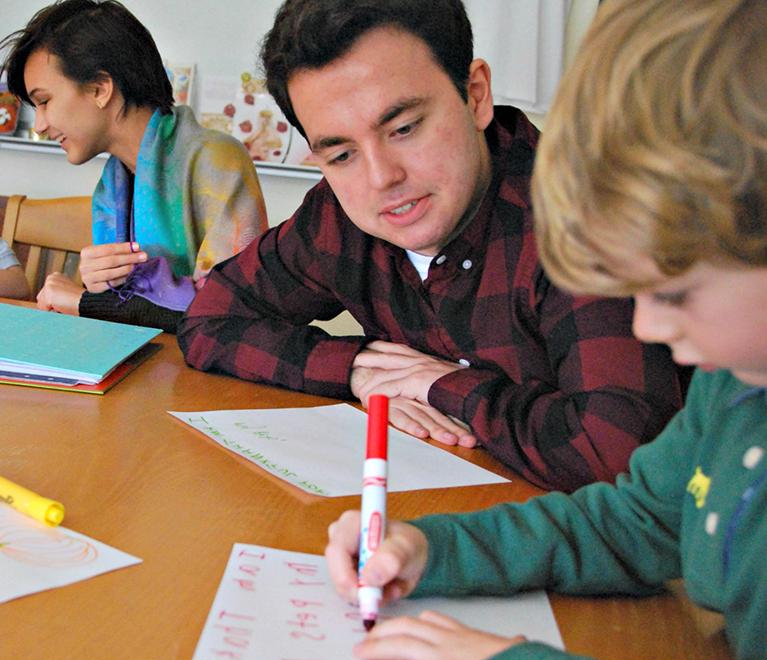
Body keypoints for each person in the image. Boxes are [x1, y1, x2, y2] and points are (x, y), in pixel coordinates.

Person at [324, 0, 767, 660]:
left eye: (674, 292)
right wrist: (434, 549)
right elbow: (631, 521)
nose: (652, 329)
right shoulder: (733, 385)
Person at [178, 0, 684, 492]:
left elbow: (617, 453)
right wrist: (357, 369)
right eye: (341, 154)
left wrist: (438, 385)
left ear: (476, 95)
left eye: (403, 128)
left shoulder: (585, 216)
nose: (382, 178)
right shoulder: (337, 215)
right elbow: (210, 318)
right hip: (418, 523)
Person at [1, 0, 267, 332]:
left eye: (44, 102)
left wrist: (87, 299)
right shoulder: (111, 186)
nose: (39, 124)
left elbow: (233, 310)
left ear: (100, 89)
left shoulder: (217, 161)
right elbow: (125, 312)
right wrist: (100, 282)